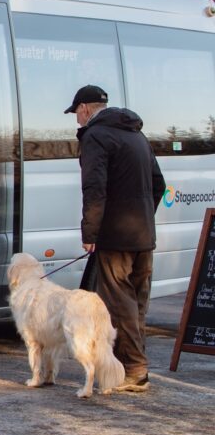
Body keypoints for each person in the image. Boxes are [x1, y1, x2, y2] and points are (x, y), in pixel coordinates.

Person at [65, 84, 165, 392]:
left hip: (116, 237)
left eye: (76, 114)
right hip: (143, 234)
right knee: (136, 302)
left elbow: (94, 189)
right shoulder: (136, 134)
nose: (77, 121)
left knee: (120, 303)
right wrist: (144, 217)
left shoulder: (96, 136)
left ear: (84, 108)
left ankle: (134, 371)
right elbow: (158, 184)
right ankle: (130, 366)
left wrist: (90, 232)